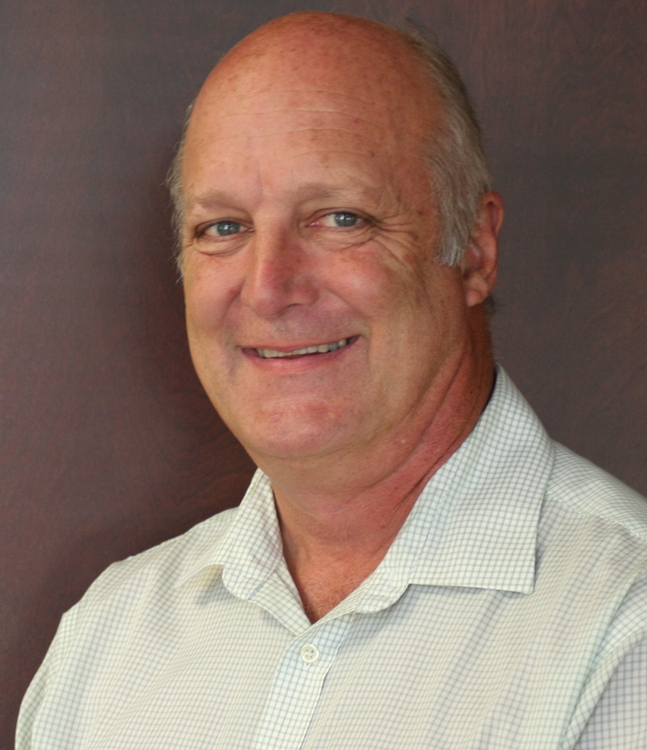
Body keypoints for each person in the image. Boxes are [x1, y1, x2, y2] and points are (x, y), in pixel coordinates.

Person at [16, 12, 647, 750]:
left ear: (474, 251)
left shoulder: (622, 629)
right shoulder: (107, 639)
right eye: (224, 227)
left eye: (340, 218)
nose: (267, 289)